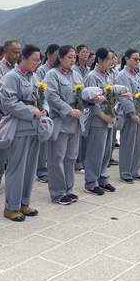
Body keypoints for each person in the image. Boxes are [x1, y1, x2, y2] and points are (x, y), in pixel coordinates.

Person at [0, 44, 46, 221]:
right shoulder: (12, 76)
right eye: (34, 60)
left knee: (29, 168)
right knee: (16, 168)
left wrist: (44, 109)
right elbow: (9, 102)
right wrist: (29, 111)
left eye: (38, 60)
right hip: (19, 127)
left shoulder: (34, 77)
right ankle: (10, 206)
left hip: (34, 127)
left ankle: (23, 203)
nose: (36, 63)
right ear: (23, 58)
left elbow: (43, 96)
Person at [43, 45, 81, 204]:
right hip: (60, 120)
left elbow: (81, 94)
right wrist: (68, 110)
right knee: (56, 158)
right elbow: (51, 96)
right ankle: (58, 192)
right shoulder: (52, 74)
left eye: (74, 57)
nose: (73, 60)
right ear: (60, 57)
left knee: (70, 157)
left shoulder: (76, 75)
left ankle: (68, 188)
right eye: (69, 57)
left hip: (75, 121)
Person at [0, 40, 21, 195]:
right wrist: (12, 111)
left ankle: (12, 179)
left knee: (14, 150)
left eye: (19, 52)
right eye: (14, 52)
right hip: (2, 114)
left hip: (17, 113)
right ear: (6, 52)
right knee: (0, 150)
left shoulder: (18, 69)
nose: (17, 55)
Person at [82, 47, 117, 195]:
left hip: (109, 117)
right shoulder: (92, 76)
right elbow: (90, 101)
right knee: (95, 151)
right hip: (98, 118)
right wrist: (102, 115)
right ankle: (91, 182)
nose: (111, 62)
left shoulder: (108, 75)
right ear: (100, 59)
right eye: (109, 59)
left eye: (112, 59)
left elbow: (110, 95)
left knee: (106, 151)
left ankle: (103, 178)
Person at [116, 50, 140, 183]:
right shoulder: (123, 75)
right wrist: (132, 113)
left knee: (139, 144)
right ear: (127, 59)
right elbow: (125, 96)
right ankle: (125, 173)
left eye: (139, 59)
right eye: (135, 59)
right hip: (129, 113)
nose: (137, 62)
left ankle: (135, 170)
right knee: (128, 144)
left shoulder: (138, 74)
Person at [35, 44, 59, 184]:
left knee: (53, 144)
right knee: (43, 144)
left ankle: (50, 169)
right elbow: (41, 93)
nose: (56, 58)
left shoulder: (57, 71)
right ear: (48, 55)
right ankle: (41, 170)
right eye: (55, 54)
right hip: (44, 112)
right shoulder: (41, 71)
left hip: (54, 111)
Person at [73, 44, 90, 172]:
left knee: (85, 135)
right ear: (77, 54)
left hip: (87, 105)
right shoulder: (74, 69)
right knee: (77, 136)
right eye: (83, 52)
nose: (85, 54)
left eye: (87, 52)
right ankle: (77, 162)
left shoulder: (88, 70)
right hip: (78, 105)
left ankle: (83, 160)